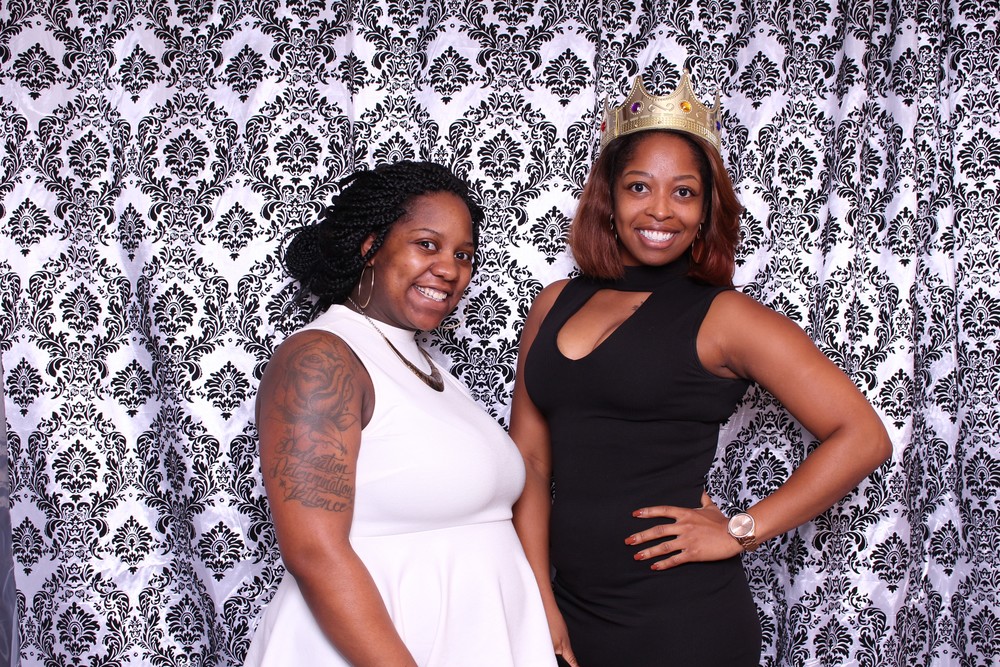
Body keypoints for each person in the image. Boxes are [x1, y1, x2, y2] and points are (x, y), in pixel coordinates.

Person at [509, 71, 893, 666]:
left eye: (684, 192)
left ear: (706, 209)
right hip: (571, 606)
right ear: (609, 199)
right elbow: (531, 462)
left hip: (683, 621)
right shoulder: (554, 302)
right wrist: (537, 597)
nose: (660, 209)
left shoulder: (725, 317)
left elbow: (863, 436)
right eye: (639, 186)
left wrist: (741, 529)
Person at [245, 160, 557, 666]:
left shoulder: (425, 366)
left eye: (463, 255)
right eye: (427, 244)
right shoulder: (321, 358)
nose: (450, 269)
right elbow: (313, 553)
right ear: (371, 247)